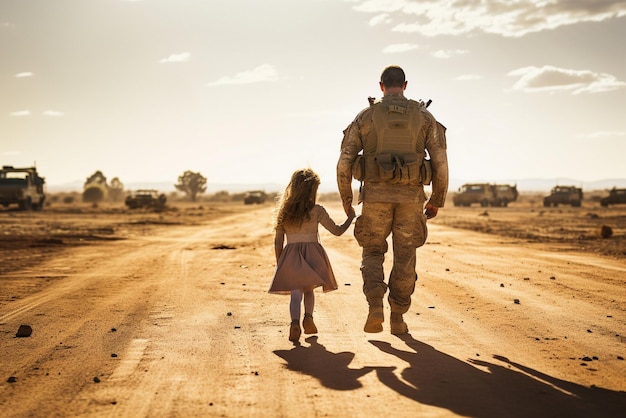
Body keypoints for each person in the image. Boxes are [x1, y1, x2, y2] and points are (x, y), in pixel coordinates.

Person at [336, 65, 449, 335]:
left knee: (373, 252)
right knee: (405, 256)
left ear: (381, 86)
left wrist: (346, 198)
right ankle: (398, 316)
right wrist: (437, 199)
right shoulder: (425, 117)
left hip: (375, 197)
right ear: (405, 85)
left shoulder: (365, 117)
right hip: (411, 199)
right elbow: (441, 162)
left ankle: (375, 306)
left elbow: (344, 162)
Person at [269, 168, 356, 342]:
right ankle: (308, 318)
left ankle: (294, 323)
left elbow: (278, 242)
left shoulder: (284, 212)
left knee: (295, 293)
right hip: (313, 255)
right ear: (312, 190)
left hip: (291, 257)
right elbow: (337, 231)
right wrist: (350, 218)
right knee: (309, 291)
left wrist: (281, 263)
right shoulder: (317, 211)